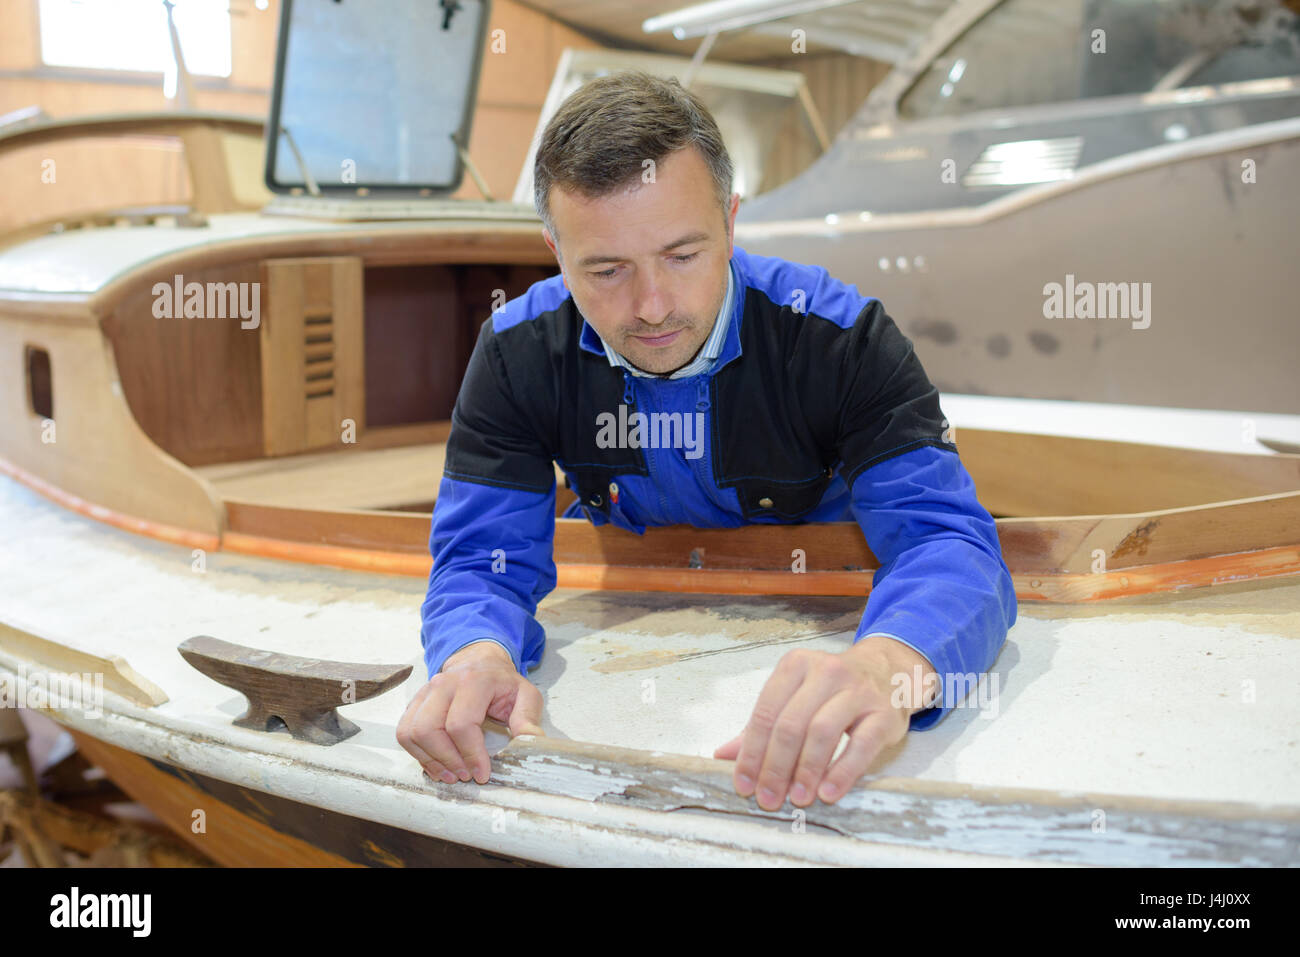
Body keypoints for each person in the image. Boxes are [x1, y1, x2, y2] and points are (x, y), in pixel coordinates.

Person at [396, 71, 1017, 812]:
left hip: (840, 623)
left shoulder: (840, 339)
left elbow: (950, 545)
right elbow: (478, 561)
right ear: (553, 251)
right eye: (606, 270)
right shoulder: (513, 354)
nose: (652, 306)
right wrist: (475, 653)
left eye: (683, 255)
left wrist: (893, 664)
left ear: (730, 221)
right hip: (631, 641)